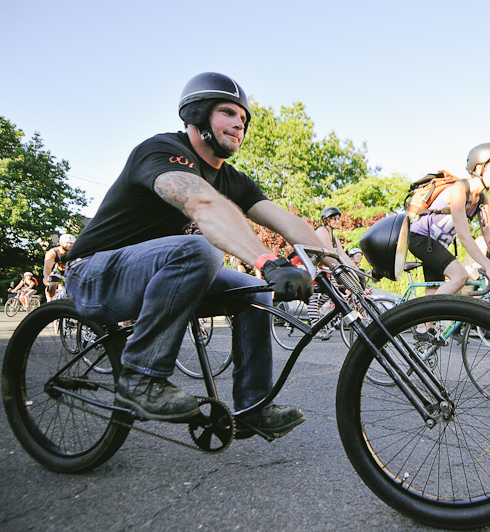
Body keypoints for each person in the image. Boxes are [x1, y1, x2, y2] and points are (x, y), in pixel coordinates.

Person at [65, 72, 330, 440]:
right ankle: (141, 378)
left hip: (160, 273)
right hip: (93, 273)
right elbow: (202, 204)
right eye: (227, 112)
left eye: (244, 118)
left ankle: (253, 406)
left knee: (253, 291)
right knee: (200, 249)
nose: (239, 123)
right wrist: (268, 261)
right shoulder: (159, 152)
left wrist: (336, 263)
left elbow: (283, 219)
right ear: (198, 114)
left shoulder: (232, 178)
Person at [408, 143, 490, 343]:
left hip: (437, 244)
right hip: (420, 238)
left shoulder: (482, 199)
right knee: (459, 276)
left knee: (435, 289)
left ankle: (424, 333)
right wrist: (488, 267)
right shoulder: (459, 190)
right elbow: (465, 235)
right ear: (478, 168)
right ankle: (418, 324)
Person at [307, 207, 359, 340]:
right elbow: (330, 252)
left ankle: (318, 309)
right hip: (310, 267)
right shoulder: (322, 231)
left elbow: (343, 255)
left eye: (338, 218)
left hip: (322, 269)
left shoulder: (334, 238)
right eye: (334, 218)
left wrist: (356, 270)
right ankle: (315, 328)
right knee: (313, 298)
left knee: (332, 290)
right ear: (326, 220)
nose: (337, 221)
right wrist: (343, 268)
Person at [43, 234, 75, 301]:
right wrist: (46, 276)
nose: (69, 245)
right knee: (52, 283)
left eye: (71, 243)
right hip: (57, 271)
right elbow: (47, 266)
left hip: (69, 271)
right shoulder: (52, 253)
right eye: (66, 243)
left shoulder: (76, 252)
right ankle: (50, 301)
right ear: (60, 243)